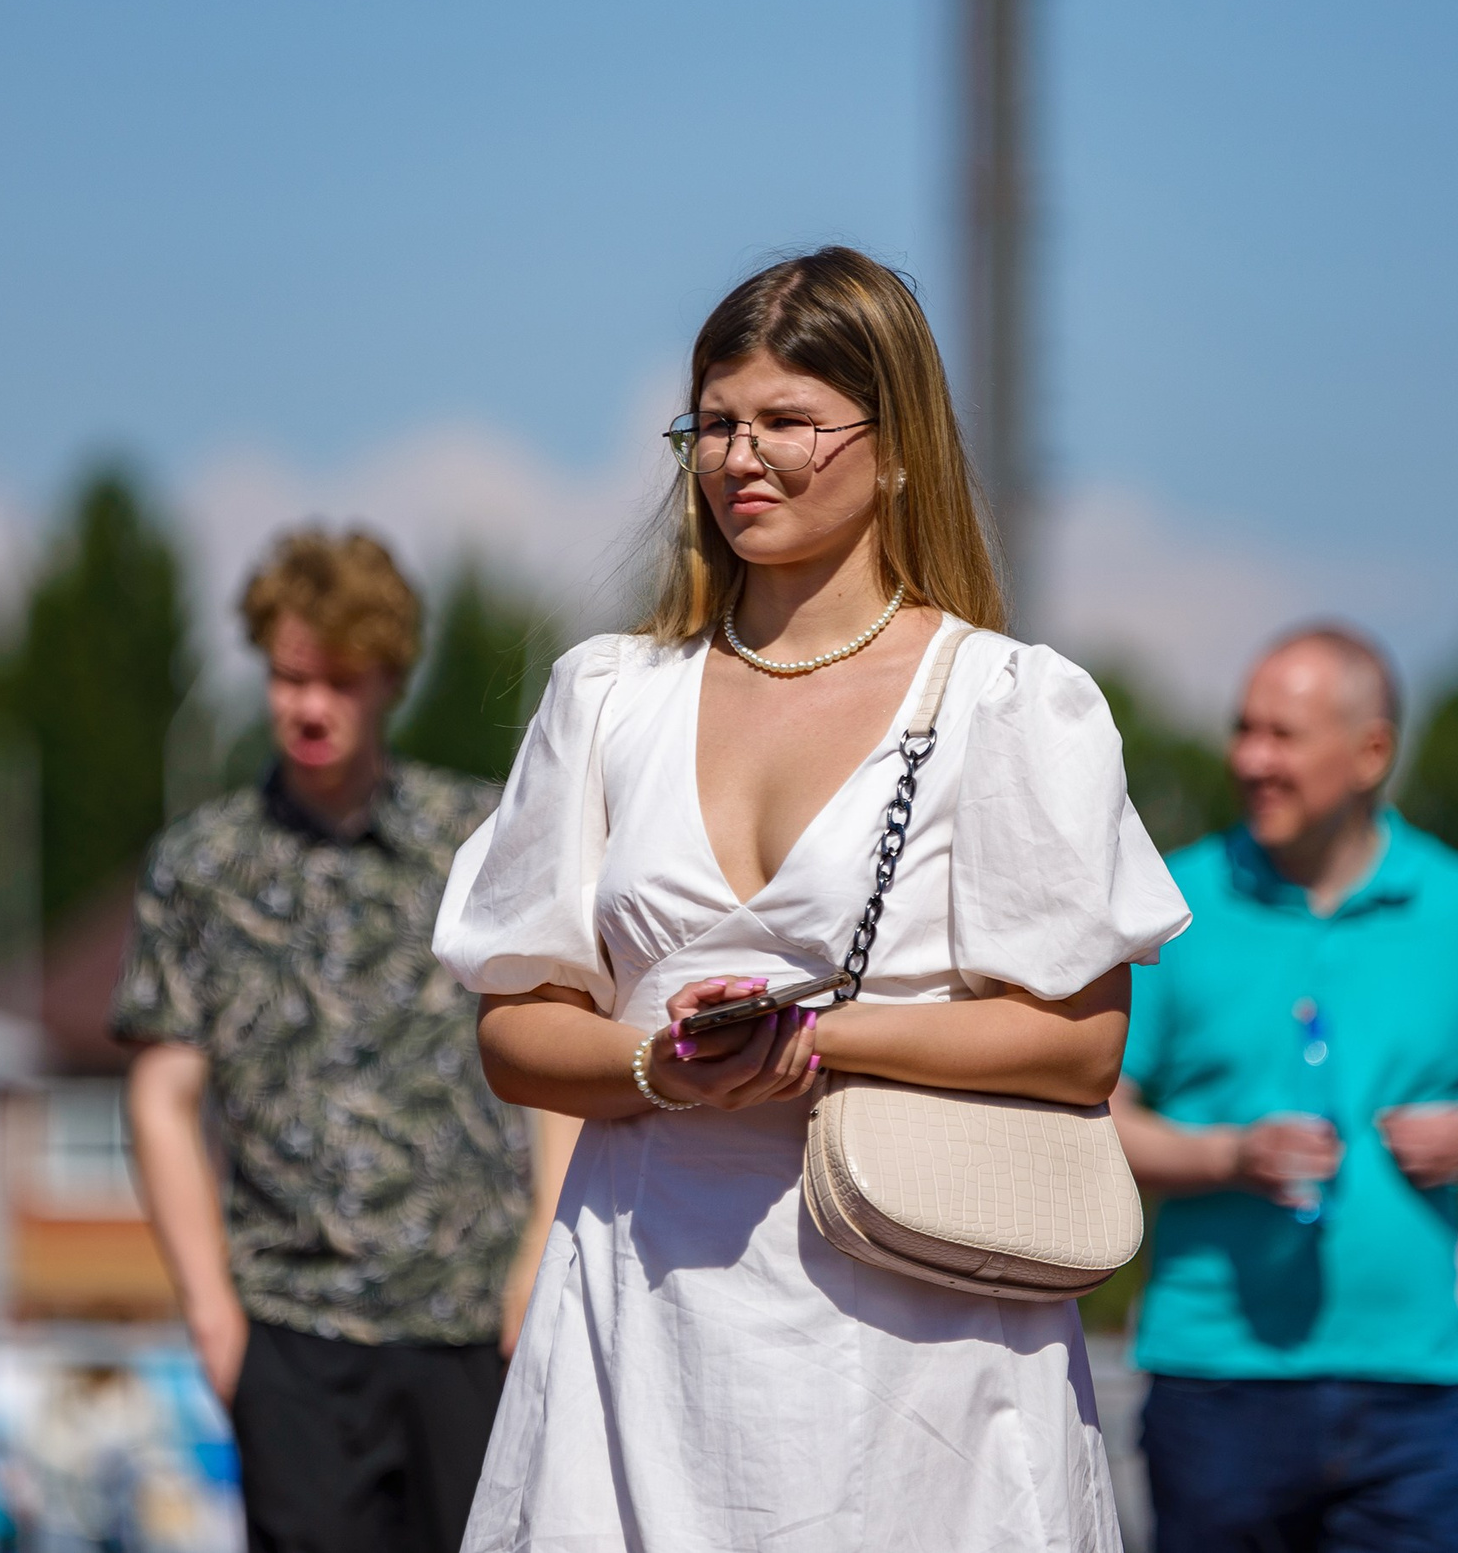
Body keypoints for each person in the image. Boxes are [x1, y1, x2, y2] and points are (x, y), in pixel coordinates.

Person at [434, 245, 1190, 1553]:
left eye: (786, 421)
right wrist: (661, 1062)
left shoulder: (1005, 699)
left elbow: (1081, 1044)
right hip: (641, 1299)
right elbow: (513, 1030)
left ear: (895, 448)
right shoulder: (609, 694)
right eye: (716, 423)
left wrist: (812, 1042)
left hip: (915, 1322)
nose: (741, 455)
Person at [1110, 626, 1458, 1553]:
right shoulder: (1166, 906)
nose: (1250, 758)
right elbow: (1098, 1116)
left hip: (1416, 1392)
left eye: (1282, 735)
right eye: (1242, 728)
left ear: (1371, 751)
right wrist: (1228, 1154)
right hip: (1214, 1385)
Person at [113, 530, 545, 1553]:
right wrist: (215, 1314)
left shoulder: (475, 838)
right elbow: (160, 1097)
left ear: (390, 677)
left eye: (340, 680)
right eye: (288, 676)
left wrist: (540, 1251)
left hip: (472, 1322)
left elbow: (550, 1050)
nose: (310, 706)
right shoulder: (203, 863)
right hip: (293, 1333)